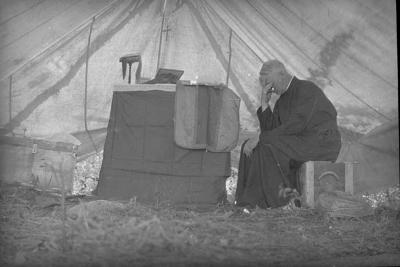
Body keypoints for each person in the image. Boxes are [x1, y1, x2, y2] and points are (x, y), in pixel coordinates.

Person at [235, 60, 341, 209]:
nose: (266, 86)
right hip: (300, 142)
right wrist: (265, 104)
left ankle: (280, 202)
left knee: (265, 143)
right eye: (263, 82)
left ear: (282, 74)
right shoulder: (281, 101)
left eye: (268, 81)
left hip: (320, 143)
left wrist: (261, 137)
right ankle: (250, 201)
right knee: (249, 146)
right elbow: (272, 131)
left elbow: (295, 125)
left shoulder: (306, 89)